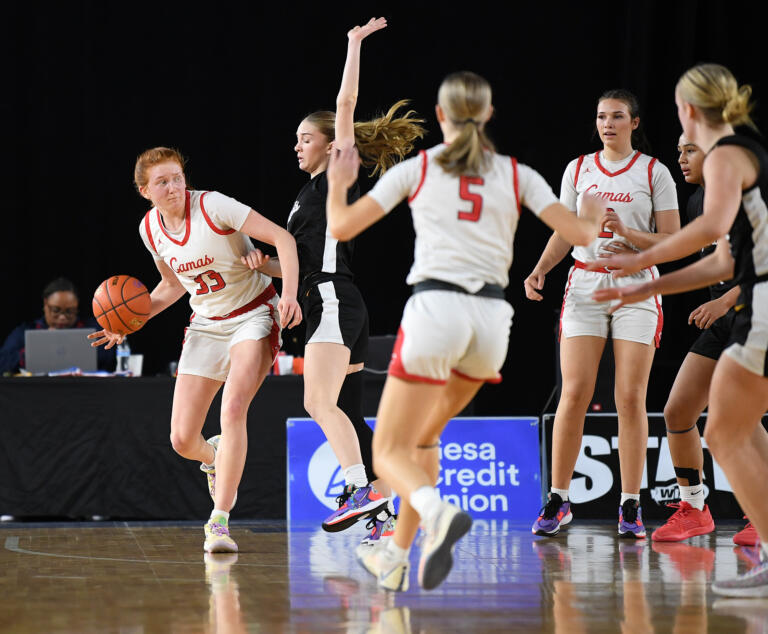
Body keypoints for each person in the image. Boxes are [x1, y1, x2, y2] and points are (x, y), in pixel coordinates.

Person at [326, 71, 605, 591]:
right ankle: (395, 556)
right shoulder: (516, 174)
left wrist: (339, 187)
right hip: (493, 322)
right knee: (425, 439)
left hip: (437, 311)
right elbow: (583, 235)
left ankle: (435, 515)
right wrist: (588, 214)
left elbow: (341, 228)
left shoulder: (421, 169)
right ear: (489, 114)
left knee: (387, 451)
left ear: (439, 116)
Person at [242, 17, 425, 543]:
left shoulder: (335, 176)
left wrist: (352, 44)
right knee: (344, 408)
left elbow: (345, 106)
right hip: (337, 299)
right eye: (295, 140)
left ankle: (361, 489)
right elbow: (300, 257)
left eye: (305, 139)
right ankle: (384, 509)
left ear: (330, 146)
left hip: (330, 299)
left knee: (316, 402)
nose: (296, 147)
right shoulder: (303, 199)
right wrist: (268, 267)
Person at [590, 63, 768, 596]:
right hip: (752, 301)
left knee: (725, 431)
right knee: (721, 425)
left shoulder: (726, 156)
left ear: (689, 110)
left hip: (761, 302)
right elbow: (720, 262)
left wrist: (637, 272)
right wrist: (645, 287)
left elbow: (706, 234)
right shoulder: (739, 155)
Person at [89, 146, 301, 553]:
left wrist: (288, 295)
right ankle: (214, 455)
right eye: (162, 182)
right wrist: (129, 320)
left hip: (253, 313)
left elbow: (284, 239)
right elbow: (171, 286)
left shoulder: (215, 206)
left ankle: (219, 521)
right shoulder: (149, 228)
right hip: (206, 324)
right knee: (183, 439)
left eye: (177, 177)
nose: (173, 187)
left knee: (233, 407)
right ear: (144, 190)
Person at [523, 89, 680, 539]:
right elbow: (566, 231)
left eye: (616, 116)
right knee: (573, 393)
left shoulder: (654, 172)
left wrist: (627, 234)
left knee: (629, 397)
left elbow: (673, 241)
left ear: (634, 122)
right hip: (585, 283)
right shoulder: (579, 168)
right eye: (600, 116)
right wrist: (539, 270)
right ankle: (558, 498)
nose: (607, 124)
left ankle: (631, 504)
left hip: (636, 285)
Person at [651, 135, 744, 542]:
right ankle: (694, 507)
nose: (681, 159)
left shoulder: (744, 196)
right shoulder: (695, 202)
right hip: (721, 322)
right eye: (678, 151)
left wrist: (724, 301)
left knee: (739, 421)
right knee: (678, 411)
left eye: (689, 150)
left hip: (753, 317)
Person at [0, 277, 116, 374]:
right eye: (56, 310)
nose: (62, 317)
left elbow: (111, 359)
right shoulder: (26, 330)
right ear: (45, 304)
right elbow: (3, 362)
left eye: (69, 311)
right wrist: (34, 351)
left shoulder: (93, 329)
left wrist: (79, 346)